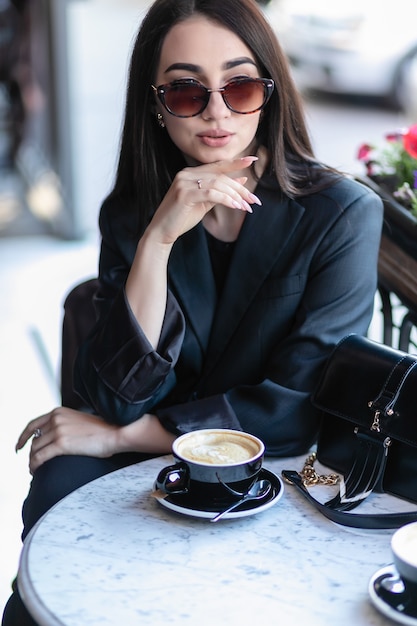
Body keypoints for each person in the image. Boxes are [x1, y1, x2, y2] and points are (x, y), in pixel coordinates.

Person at [2, 0, 383, 623]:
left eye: (239, 84)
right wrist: (158, 240)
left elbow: (295, 409)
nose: (216, 111)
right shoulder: (133, 213)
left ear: (271, 90)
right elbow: (117, 392)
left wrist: (123, 437)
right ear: (156, 103)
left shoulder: (341, 214)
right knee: (54, 491)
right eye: (186, 91)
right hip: (150, 439)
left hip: (271, 463)